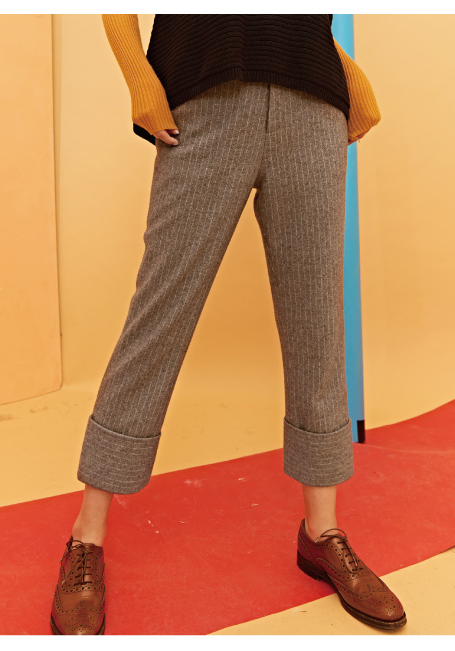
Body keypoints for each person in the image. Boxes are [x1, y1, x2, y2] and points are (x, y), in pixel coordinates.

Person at [50, 14, 402, 635]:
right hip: (207, 102)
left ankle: (323, 532)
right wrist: (139, 76)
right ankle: (87, 536)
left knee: (317, 322)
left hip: (312, 110)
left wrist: (347, 74)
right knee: (160, 314)